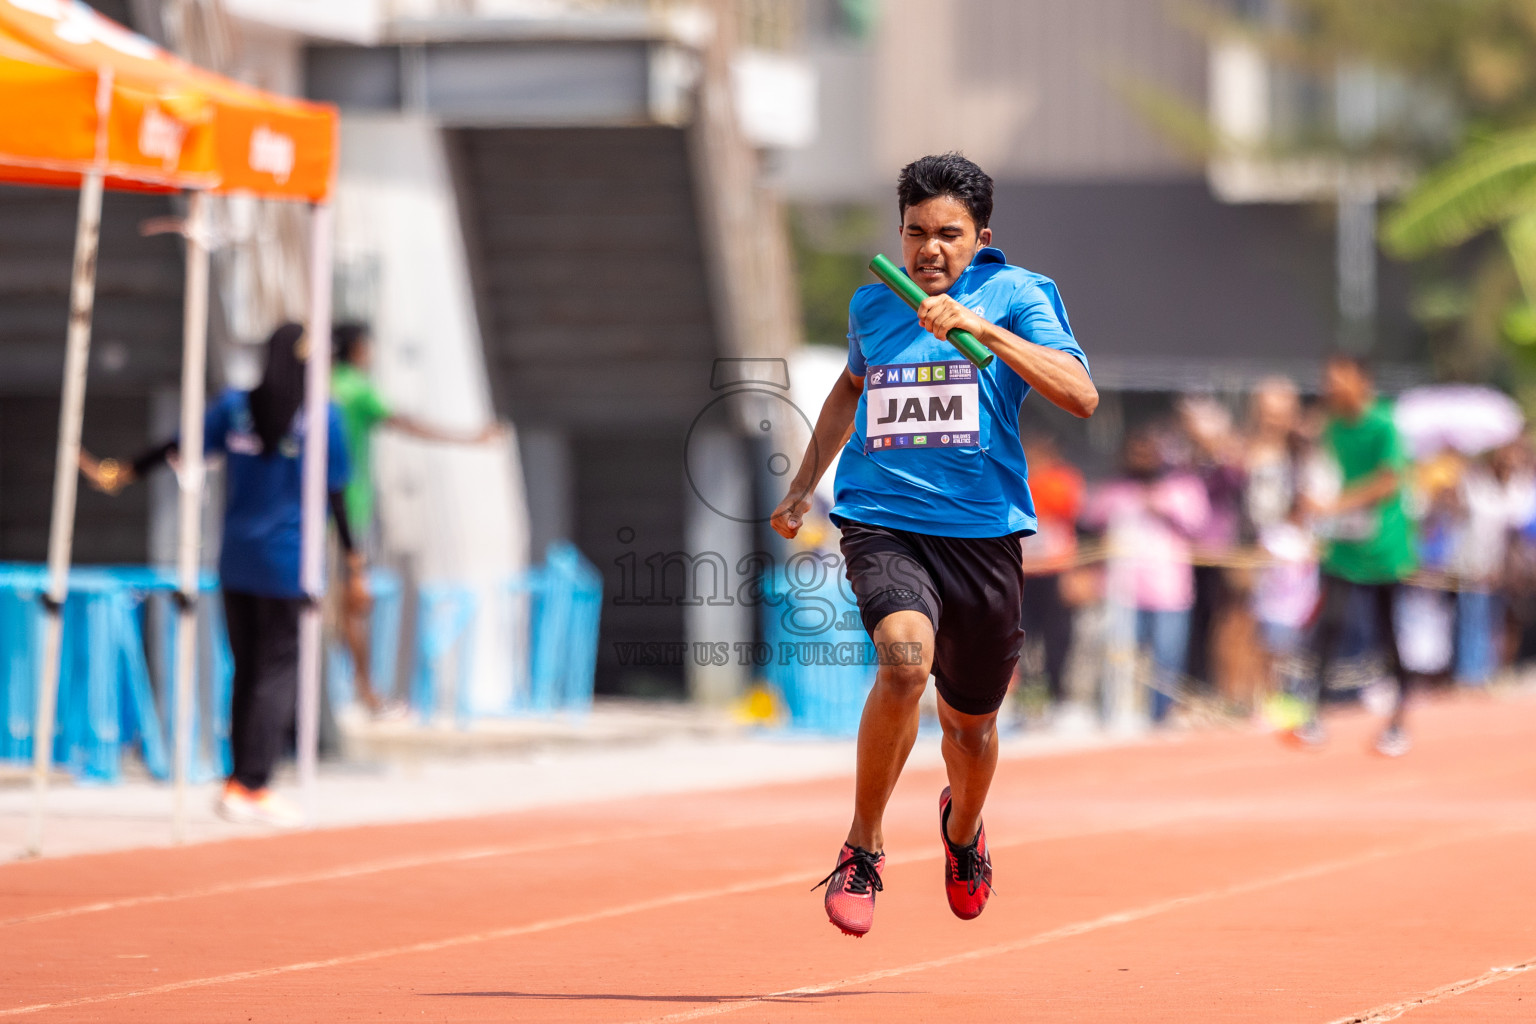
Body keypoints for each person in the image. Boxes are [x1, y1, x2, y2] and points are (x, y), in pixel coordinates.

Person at [772, 153, 1096, 936]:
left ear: (981, 236)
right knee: (903, 660)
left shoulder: (1019, 294)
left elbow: (1080, 394)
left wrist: (981, 327)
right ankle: (863, 844)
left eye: (947, 234)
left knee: (972, 730)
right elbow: (852, 387)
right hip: (882, 517)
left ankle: (962, 832)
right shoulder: (873, 306)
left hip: (983, 535)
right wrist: (803, 482)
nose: (928, 251)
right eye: (915, 232)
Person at [81, 323, 355, 827]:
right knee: (275, 674)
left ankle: (238, 780)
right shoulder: (321, 419)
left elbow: (177, 446)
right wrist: (355, 559)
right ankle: (252, 783)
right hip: (289, 564)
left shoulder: (235, 407)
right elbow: (335, 495)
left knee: (247, 669)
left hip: (237, 561)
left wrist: (120, 472)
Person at [329, 322, 499, 715]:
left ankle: (345, 690)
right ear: (357, 349)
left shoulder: (320, 385)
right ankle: (366, 690)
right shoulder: (356, 389)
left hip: (307, 512)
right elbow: (405, 422)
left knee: (330, 601)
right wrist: (468, 438)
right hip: (348, 510)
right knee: (352, 601)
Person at [1297, 354, 1417, 756]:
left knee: (1387, 632)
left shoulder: (1384, 423)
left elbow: (1387, 482)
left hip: (1385, 544)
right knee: (1328, 625)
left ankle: (1399, 720)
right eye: (1327, 379)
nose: (1330, 386)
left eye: (1339, 379)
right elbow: (1323, 471)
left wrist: (1336, 506)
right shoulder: (1330, 425)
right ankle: (1313, 713)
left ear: (1362, 382)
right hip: (1345, 544)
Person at [1080, 429, 1210, 724]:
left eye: (1149, 453)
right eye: (1136, 453)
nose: (1143, 459)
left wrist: (1161, 507)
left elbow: (1199, 525)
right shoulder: (1114, 490)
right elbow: (1090, 521)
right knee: (1119, 658)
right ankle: (1115, 715)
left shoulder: (1183, 487)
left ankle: (1159, 718)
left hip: (1169, 591)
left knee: (1166, 661)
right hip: (1123, 593)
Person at [1018, 433, 1084, 708]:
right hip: (1023, 572)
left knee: (1058, 635)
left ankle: (1058, 693)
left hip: (1055, 569)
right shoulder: (1016, 476)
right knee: (1023, 636)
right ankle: (1028, 695)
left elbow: (1070, 517)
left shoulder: (1063, 481)